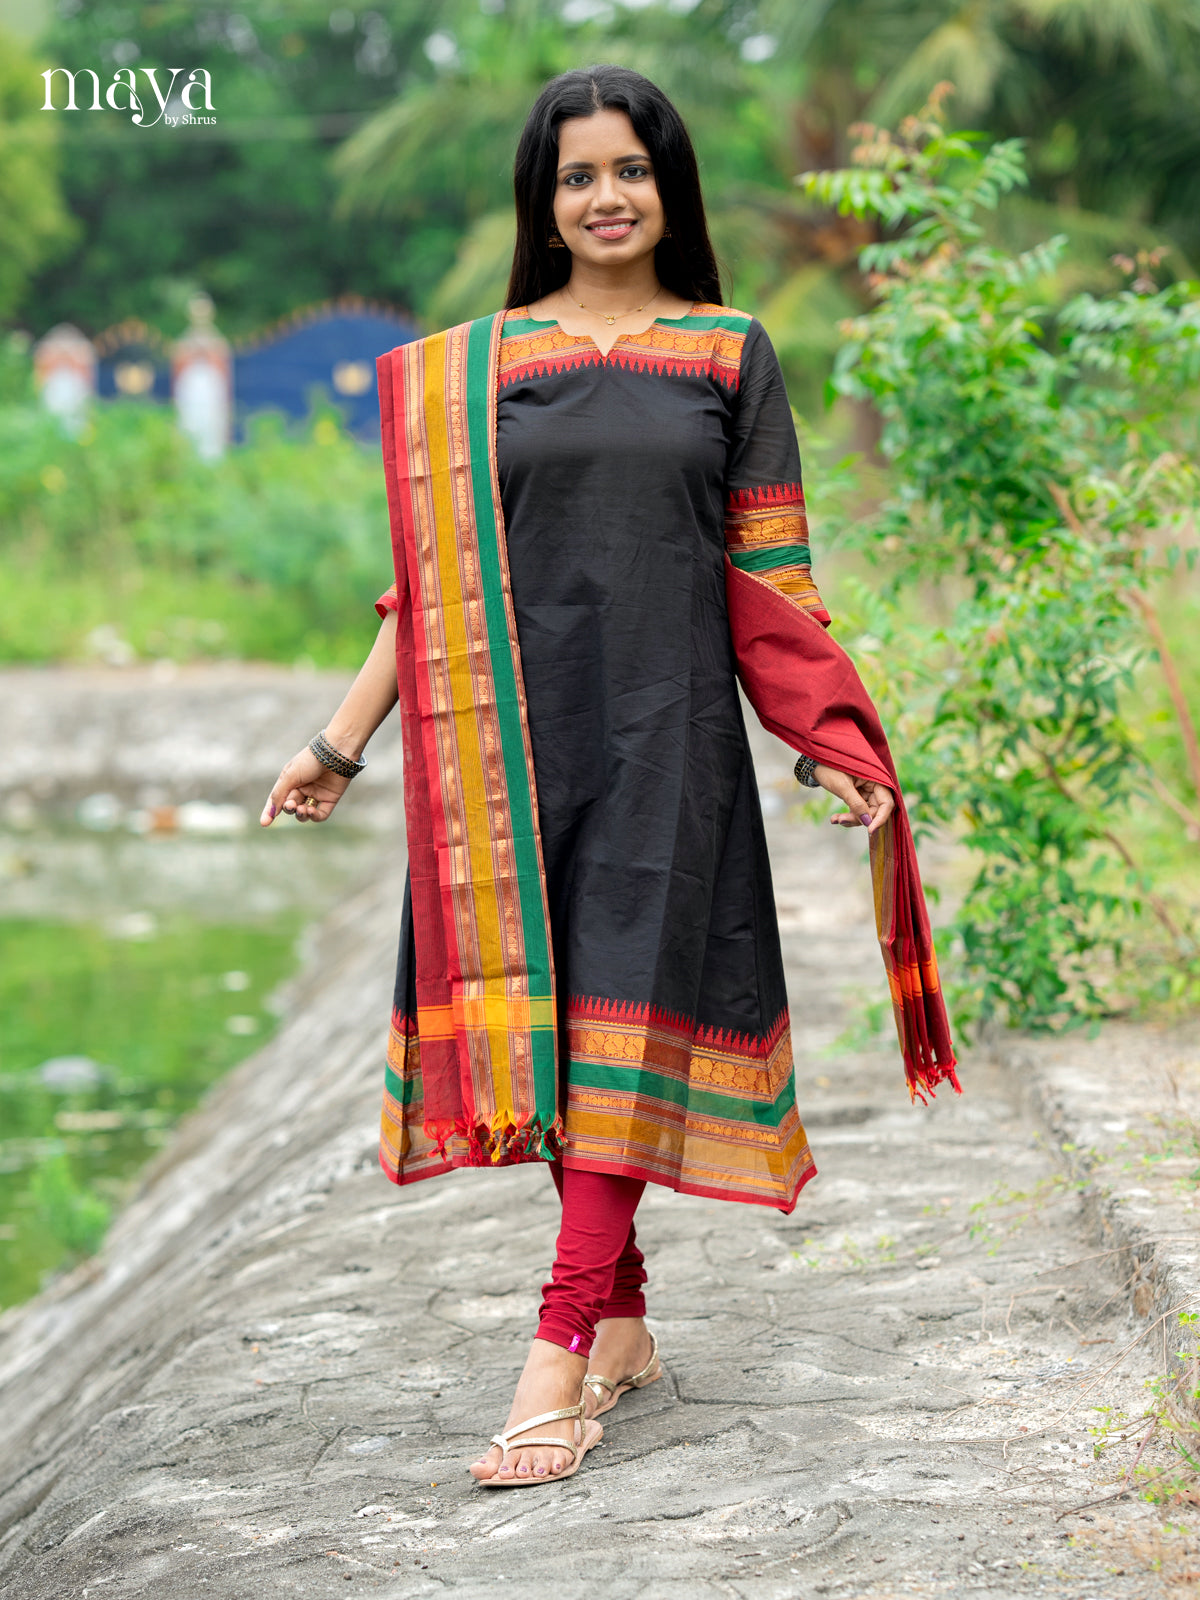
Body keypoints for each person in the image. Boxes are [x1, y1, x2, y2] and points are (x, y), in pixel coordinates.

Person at [261, 64, 957, 1490]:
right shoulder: (482, 368)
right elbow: (430, 587)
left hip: (673, 744)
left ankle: (558, 1356)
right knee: (553, 1046)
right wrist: (340, 744)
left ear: (668, 185)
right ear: (545, 199)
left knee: (627, 1028)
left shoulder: (727, 351)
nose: (604, 196)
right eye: (577, 175)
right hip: (509, 762)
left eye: (629, 169)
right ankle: (629, 1318)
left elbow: (772, 573)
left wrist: (828, 740)